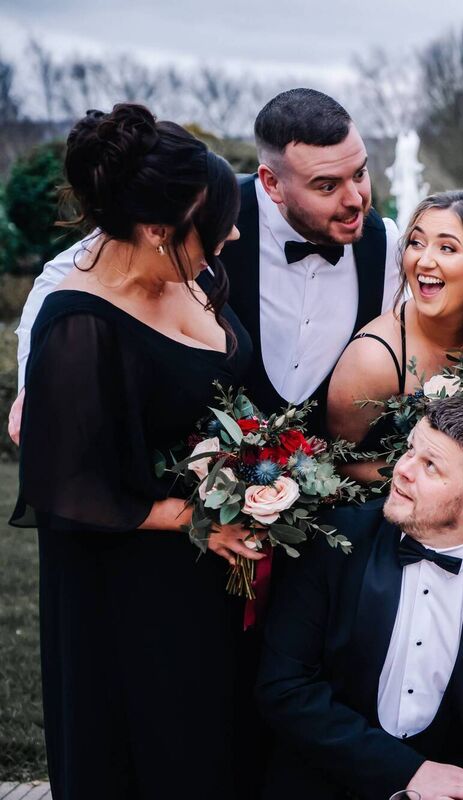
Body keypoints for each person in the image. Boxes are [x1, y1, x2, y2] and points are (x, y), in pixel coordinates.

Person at [18, 104, 258, 799]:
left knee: (221, 748)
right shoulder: (78, 323)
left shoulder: (197, 274)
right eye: (217, 223)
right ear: (157, 230)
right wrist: (199, 520)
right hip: (128, 599)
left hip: (212, 582)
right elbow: (68, 492)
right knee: (154, 756)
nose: (233, 233)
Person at [10, 87, 402, 441]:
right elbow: (64, 276)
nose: (356, 199)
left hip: (333, 494)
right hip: (211, 491)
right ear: (271, 183)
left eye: (360, 173)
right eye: (328, 185)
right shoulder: (202, 211)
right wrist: (37, 380)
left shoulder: (388, 246)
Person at [257, 396, 463, 800]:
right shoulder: (334, 540)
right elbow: (285, 688)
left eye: (430, 465)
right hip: (334, 776)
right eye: (410, 450)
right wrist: (410, 773)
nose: (402, 470)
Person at [328, 188, 463, 484]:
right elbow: (336, 464)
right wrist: (441, 482)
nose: (424, 261)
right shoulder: (372, 359)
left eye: (447, 248)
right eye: (417, 243)